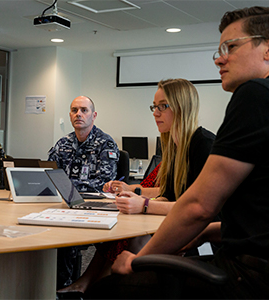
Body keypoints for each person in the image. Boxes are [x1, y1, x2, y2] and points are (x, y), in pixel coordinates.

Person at [84, 6, 269, 299]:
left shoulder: (255, 94)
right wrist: (208, 231)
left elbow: (199, 206)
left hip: (249, 276)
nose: (220, 59)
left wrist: (139, 260)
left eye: (231, 47)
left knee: (105, 291)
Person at [57, 78, 216, 297]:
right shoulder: (174, 147)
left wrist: (143, 205)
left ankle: (97, 285)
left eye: (163, 106)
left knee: (126, 245)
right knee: (125, 237)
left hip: (203, 239)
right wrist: (136, 194)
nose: (155, 113)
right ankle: (94, 284)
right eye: (154, 107)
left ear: (181, 106)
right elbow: (168, 195)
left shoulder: (203, 144)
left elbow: (194, 208)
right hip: (182, 228)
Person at [48, 96, 119, 289]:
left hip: (93, 206)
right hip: (64, 204)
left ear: (93, 115)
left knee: (66, 236)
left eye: (84, 110)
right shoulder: (62, 144)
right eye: (74, 110)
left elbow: (103, 184)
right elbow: (50, 174)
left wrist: (66, 186)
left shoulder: (106, 144)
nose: (78, 114)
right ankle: (48, 284)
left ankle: (65, 286)